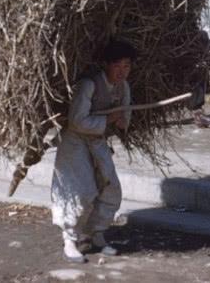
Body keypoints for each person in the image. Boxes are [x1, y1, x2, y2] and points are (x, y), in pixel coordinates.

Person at [51, 40, 135, 263]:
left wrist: (121, 120)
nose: (122, 72)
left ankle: (96, 234)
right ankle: (70, 239)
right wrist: (108, 118)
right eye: (117, 66)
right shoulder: (89, 85)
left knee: (110, 187)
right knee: (79, 190)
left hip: (98, 141)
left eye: (127, 66)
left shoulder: (123, 88)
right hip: (75, 142)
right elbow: (77, 121)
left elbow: (124, 120)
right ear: (106, 64)